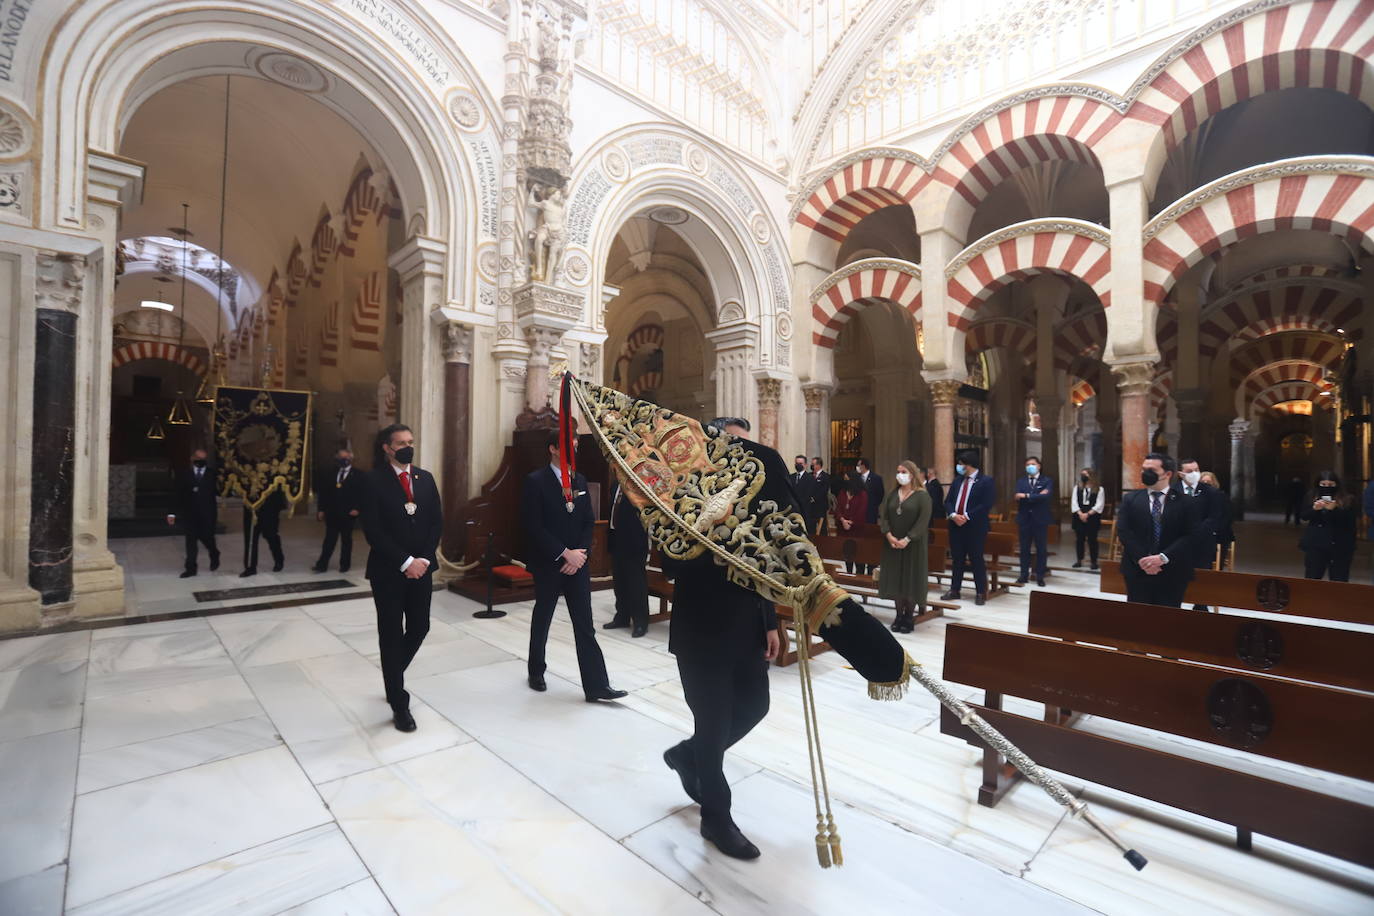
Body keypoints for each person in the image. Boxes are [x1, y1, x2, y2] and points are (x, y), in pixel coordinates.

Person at [662, 421, 782, 861]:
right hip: (702, 632)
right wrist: (706, 526)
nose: (738, 451)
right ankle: (717, 818)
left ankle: (686, 756)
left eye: (743, 443)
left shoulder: (755, 500)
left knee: (756, 706)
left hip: (748, 627)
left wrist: (770, 622)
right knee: (712, 726)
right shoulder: (682, 495)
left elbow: (764, 565)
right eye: (729, 441)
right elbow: (668, 562)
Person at [522, 432, 627, 702]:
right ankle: (536, 670)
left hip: (577, 563)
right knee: (543, 617)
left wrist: (580, 554)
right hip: (548, 563)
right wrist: (563, 553)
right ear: (553, 449)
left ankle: (596, 686)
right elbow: (534, 527)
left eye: (576, 446)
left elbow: (587, 521)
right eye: (569, 446)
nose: (574, 450)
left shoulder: (579, 480)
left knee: (584, 624)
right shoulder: (536, 481)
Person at [361, 423, 443, 732]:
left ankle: (392, 674)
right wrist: (404, 561)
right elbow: (373, 530)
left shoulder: (424, 478)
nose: (407, 447)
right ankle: (399, 701)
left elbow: (436, 522)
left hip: (421, 568)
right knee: (391, 634)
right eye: (400, 443)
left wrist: (421, 559)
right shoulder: (373, 481)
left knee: (420, 627)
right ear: (386, 447)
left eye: (410, 441)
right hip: (388, 571)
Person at [1116, 453, 1202, 608]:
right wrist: (1144, 559)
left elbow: (1191, 535)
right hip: (1137, 569)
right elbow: (1124, 531)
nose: (1145, 474)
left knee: (1167, 622)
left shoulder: (1186, 502)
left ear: (1168, 474)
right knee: (1138, 619)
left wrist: (1163, 557)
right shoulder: (1131, 499)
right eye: (1143, 469)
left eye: (1152, 470)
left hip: (1172, 570)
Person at [878, 460, 932, 633]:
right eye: (898, 471)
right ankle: (898, 614)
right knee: (896, 579)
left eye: (903, 471)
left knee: (910, 578)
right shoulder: (893, 494)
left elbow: (923, 521)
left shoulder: (922, 496)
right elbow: (884, 516)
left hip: (912, 545)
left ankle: (909, 616)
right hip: (892, 543)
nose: (900, 474)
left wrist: (908, 539)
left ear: (912, 473)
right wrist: (889, 535)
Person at [942, 449, 994, 606]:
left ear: (969, 465)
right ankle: (954, 590)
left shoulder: (985, 481)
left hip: (974, 527)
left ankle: (980, 592)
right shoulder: (958, 480)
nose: (959, 466)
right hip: (955, 525)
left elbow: (986, 504)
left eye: (961, 464)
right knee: (957, 559)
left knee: (976, 559)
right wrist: (953, 515)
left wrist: (966, 516)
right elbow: (948, 501)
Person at [1179, 458, 1233, 609]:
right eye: (1190, 471)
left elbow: (1215, 517)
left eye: (1196, 470)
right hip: (1178, 544)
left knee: (1202, 578)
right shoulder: (1173, 491)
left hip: (1203, 542)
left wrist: (1196, 533)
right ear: (1180, 473)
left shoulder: (1212, 493)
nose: (1194, 474)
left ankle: (1200, 608)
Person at [603, 480, 650, 637]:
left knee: (636, 583)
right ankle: (622, 616)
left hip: (634, 541)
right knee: (620, 581)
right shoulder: (616, 485)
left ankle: (640, 622)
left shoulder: (640, 485)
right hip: (616, 538)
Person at [167, 449, 220, 578]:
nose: (201, 460)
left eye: (204, 458)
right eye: (198, 457)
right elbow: (177, 494)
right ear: (192, 458)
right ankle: (191, 568)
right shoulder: (184, 474)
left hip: (207, 513)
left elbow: (219, 492)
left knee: (207, 537)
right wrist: (171, 513)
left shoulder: (213, 474)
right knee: (191, 540)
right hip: (189, 513)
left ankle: (214, 553)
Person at [1299, 471, 1357, 582]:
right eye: (1323, 484)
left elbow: (1350, 522)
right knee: (1313, 576)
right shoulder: (1311, 495)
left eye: (1330, 485)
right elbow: (1304, 516)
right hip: (1316, 544)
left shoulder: (1348, 499)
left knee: (1339, 578)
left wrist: (1334, 510)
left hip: (1339, 545)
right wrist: (1315, 509)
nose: (1327, 488)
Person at [314, 447, 364, 573]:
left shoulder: (359, 475)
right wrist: (321, 509)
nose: (344, 460)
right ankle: (322, 565)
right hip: (332, 512)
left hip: (348, 513)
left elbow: (363, 494)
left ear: (351, 459)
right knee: (329, 540)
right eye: (341, 458)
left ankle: (345, 565)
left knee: (346, 540)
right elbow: (324, 493)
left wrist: (358, 508)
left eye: (346, 458)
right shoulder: (330, 472)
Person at [1014, 455, 1054, 587]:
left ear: (1039, 466)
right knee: (1024, 549)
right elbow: (1017, 496)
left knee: (1041, 549)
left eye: (1032, 464)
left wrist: (1026, 496)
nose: (1030, 467)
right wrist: (1036, 495)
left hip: (1040, 519)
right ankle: (1023, 575)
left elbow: (1045, 497)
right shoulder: (1021, 481)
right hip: (1025, 519)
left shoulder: (1046, 481)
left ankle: (1040, 575)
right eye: (1027, 465)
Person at [240, 489, 286, 577]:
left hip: (270, 503)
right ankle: (250, 567)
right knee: (250, 536)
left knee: (270, 534)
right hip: (251, 503)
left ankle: (279, 558)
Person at [1069, 468, 1105, 570]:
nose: (1083, 476)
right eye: (1082, 474)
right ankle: (1079, 560)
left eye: (1085, 474)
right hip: (1079, 516)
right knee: (1079, 540)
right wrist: (1080, 513)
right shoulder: (1077, 488)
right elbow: (1074, 502)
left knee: (1092, 540)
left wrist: (1087, 514)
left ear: (1091, 476)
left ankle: (1094, 561)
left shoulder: (1099, 489)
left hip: (1092, 517)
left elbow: (1099, 504)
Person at [835, 472, 869, 573]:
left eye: (847, 479)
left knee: (858, 555)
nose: (845, 481)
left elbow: (861, 510)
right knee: (847, 554)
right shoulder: (842, 492)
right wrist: (842, 520)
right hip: (843, 529)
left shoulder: (862, 494)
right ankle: (848, 573)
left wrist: (851, 522)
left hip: (857, 529)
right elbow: (838, 509)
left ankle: (859, 574)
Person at [1198, 471, 1234, 569]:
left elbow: (1227, 518)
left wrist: (1212, 531)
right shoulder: (1194, 498)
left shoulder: (1222, 497)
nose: (1206, 485)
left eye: (1208, 482)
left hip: (1218, 534)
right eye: (1203, 482)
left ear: (1214, 483)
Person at [855, 458, 884, 573]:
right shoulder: (857, 479)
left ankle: (871, 566)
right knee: (860, 542)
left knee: (870, 542)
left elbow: (880, 494)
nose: (857, 468)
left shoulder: (876, 478)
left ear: (864, 466)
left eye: (858, 465)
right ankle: (859, 567)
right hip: (858, 515)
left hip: (871, 514)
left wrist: (873, 506)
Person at [791, 454, 815, 534]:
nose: (798, 465)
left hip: (804, 512)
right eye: (796, 463)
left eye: (800, 463)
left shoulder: (810, 478)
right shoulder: (791, 477)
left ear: (805, 465)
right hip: (792, 512)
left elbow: (808, 495)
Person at [807, 457, 830, 536]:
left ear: (818, 465)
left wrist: (814, 498)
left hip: (820, 505)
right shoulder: (809, 475)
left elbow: (823, 491)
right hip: (810, 506)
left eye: (813, 464)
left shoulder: (825, 476)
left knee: (822, 527)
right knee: (811, 526)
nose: (812, 465)